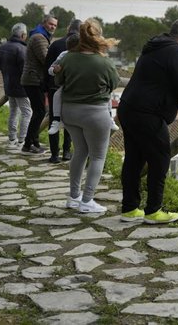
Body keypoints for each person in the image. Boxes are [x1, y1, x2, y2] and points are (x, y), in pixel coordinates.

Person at [118, 18, 178, 224]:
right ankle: (153, 210)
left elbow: (165, 78)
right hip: (146, 113)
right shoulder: (174, 51)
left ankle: (130, 208)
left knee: (134, 159)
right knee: (160, 159)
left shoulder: (155, 45)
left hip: (129, 107)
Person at [55, 18, 120, 213]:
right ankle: (87, 200)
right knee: (98, 156)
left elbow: (59, 80)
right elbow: (114, 84)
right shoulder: (104, 62)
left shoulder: (67, 58)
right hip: (95, 113)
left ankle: (73, 197)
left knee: (79, 151)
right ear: (97, 36)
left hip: (70, 111)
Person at [48, 34, 119, 138]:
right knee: (56, 95)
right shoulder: (65, 55)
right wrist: (54, 70)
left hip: (73, 96)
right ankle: (56, 119)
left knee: (107, 94)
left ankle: (110, 118)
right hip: (69, 85)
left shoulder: (81, 55)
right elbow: (51, 69)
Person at [20, 14, 58, 155]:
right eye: (50, 24)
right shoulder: (39, 38)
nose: (53, 27)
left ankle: (33, 143)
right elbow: (45, 58)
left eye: (55, 25)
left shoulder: (40, 35)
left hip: (33, 79)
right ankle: (28, 144)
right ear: (44, 23)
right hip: (33, 79)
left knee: (39, 111)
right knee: (40, 112)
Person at [45, 19, 80, 163]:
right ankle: (66, 151)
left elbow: (47, 67)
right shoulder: (82, 48)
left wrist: (47, 87)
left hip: (55, 88)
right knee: (70, 121)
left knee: (54, 119)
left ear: (68, 29)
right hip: (74, 90)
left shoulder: (55, 44)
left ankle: (54, 154)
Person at [0, 23, 32, 150]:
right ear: (23, 35)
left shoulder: (3, 47)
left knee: (13, 111)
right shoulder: (21, 49)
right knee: (27, 113)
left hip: (8, 84)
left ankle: (12, 138)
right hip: (21, 86)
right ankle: (22, 140)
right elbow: (25, 68)